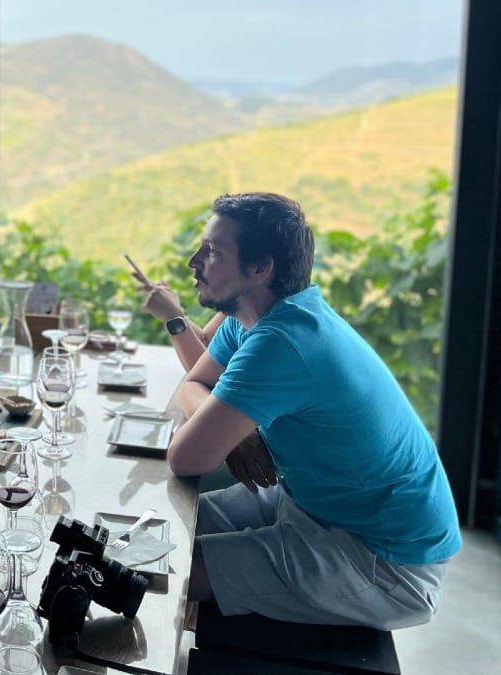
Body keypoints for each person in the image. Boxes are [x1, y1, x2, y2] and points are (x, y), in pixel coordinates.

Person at [166, 192, 460, 630]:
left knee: (171, 574)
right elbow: (192, 383)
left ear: (261, 268)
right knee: (157, 536)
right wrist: (240, 435)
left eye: (213, 251)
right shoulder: (253, 319)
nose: (195, 260)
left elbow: (185, 457)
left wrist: (222, 430)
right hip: (314, 507)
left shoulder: (283, 342)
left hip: (384, 558)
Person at [135, 280, 225, 370]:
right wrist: (172, 307)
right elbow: (205, 341)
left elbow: (206, 373)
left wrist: (173, 316)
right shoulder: (232, 313)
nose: (193, 266)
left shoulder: (238, 318)